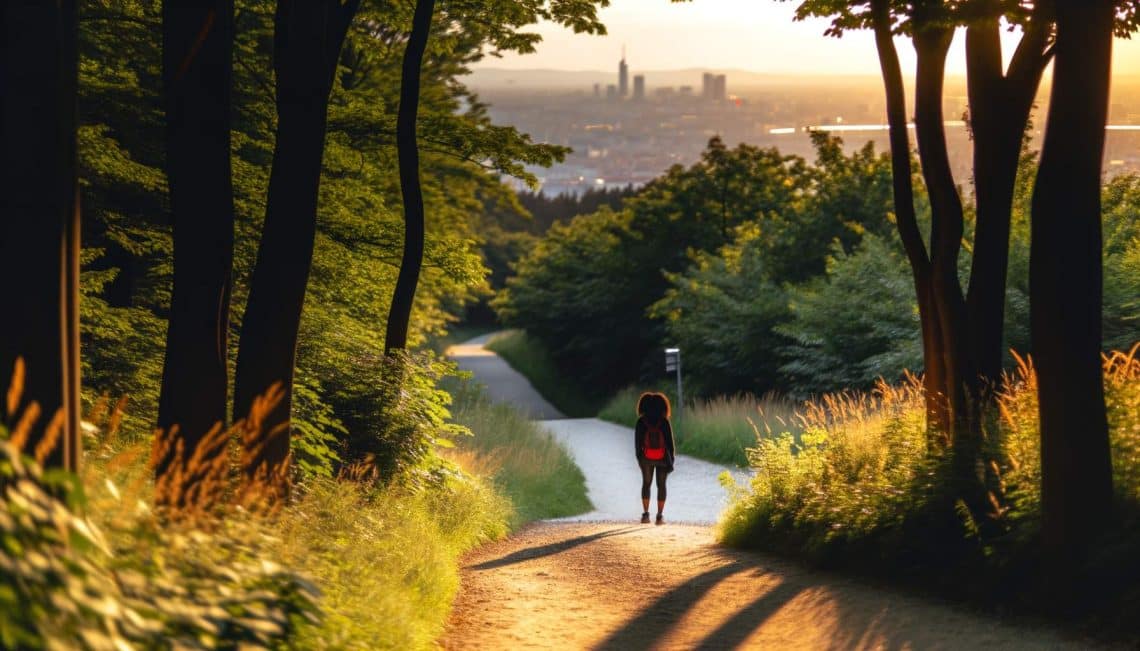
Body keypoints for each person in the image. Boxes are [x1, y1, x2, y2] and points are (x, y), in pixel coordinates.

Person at [634, 392, 675, 525]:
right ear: (662, 406)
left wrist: (639, 459)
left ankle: (645, 516)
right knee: (661, 485)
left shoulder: (641, 421)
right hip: (663, 458)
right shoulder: (664, 422)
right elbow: (670, 443)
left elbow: (637, 443)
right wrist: (671, 459)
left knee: (646, 484)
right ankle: (659, 516)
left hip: (645, 458)